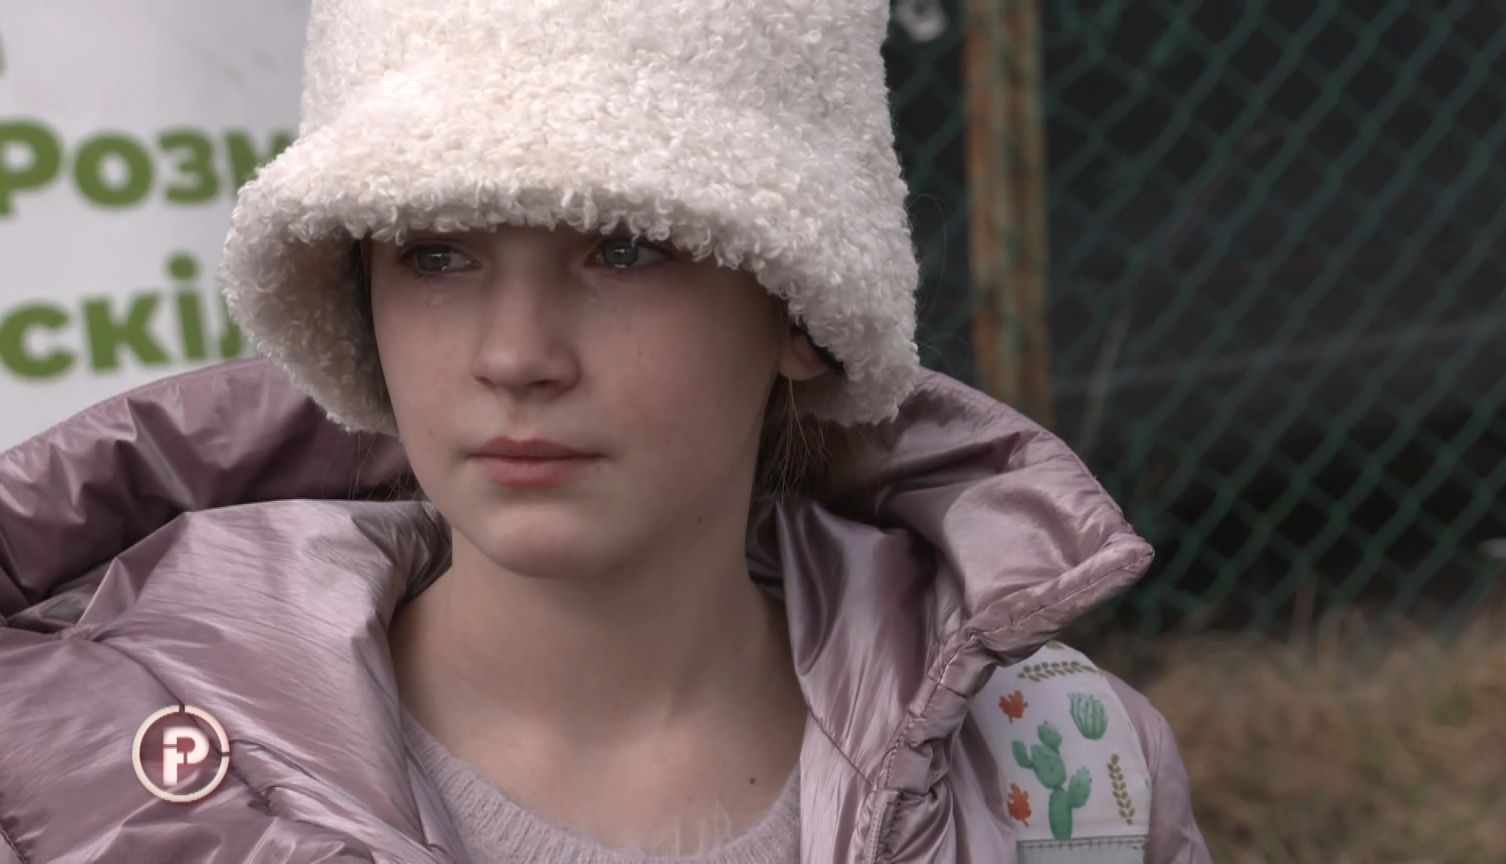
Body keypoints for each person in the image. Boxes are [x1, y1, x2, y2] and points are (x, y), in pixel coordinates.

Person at [0, 1, 1211, 862]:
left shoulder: (1061, 782)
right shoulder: (79, 782)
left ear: (802, 306)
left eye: (626, 249)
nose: (517, 354)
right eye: (436, 253)